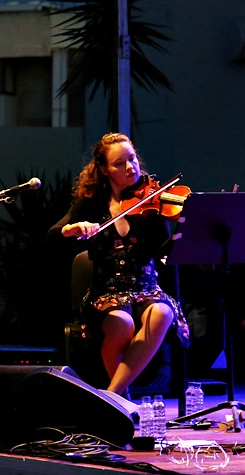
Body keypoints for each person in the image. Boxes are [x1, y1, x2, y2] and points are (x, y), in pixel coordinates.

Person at [48, 132, 189, 396]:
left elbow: (164, 250)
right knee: (121, 323)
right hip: (106, 291)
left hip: (146, 287)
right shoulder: (91, 205)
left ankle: (112, 395)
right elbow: (53, 234)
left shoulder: (152, 201)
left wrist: (184, 228)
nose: (130, 167)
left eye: (132, 159)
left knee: (162, 313)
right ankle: (120, 397)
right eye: (119, 163)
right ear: (104, 169)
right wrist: (72, 229)